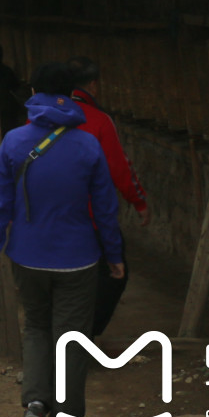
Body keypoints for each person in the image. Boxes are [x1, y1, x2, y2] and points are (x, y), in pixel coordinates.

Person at [0, 62, 124, 417]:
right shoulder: (87, 144)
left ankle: (34, 403)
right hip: (78, 259)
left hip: (27, 257)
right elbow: (105, 209)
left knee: (37, 329)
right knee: (73, 340)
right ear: (74, 94)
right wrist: (113, 256)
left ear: (33, 95)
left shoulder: (13, 141)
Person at [65, 56, 147, 338]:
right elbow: (119, 167)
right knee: (113, 275)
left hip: (47, 217)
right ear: (93, 85)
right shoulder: (98, 120)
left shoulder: (42, 118)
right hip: (90, 218)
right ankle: (83, 336)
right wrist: (138, 202)